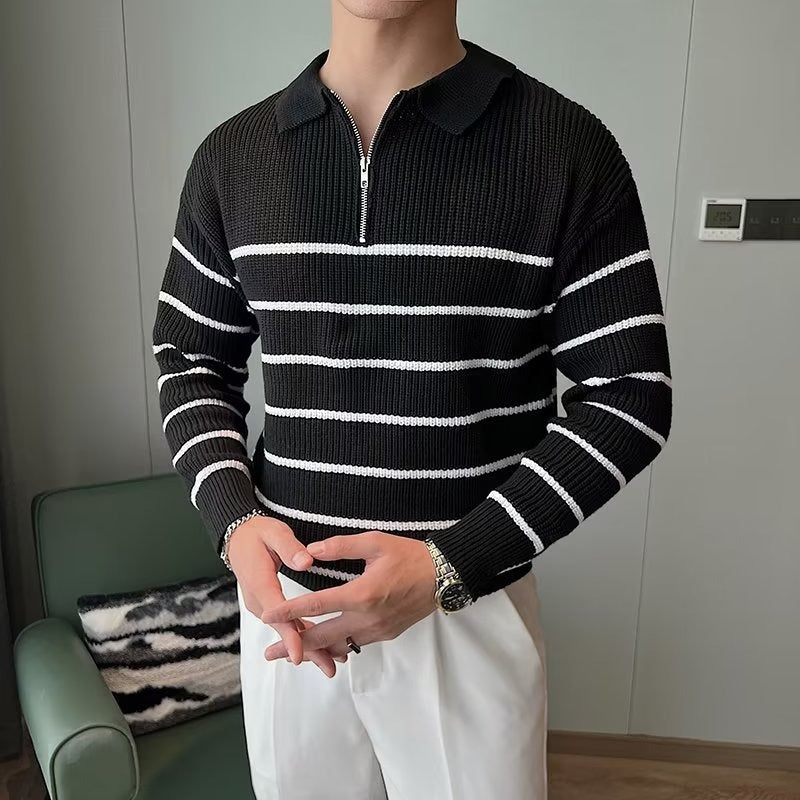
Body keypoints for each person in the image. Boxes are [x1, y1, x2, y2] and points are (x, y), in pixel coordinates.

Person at [151, 1, 672, 797]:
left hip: (467, 609)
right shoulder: (234, 157)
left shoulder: (564, 147)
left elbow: (630, 394)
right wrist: (234, 521)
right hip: (289, 613)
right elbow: (192, 358)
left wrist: (448, 566)